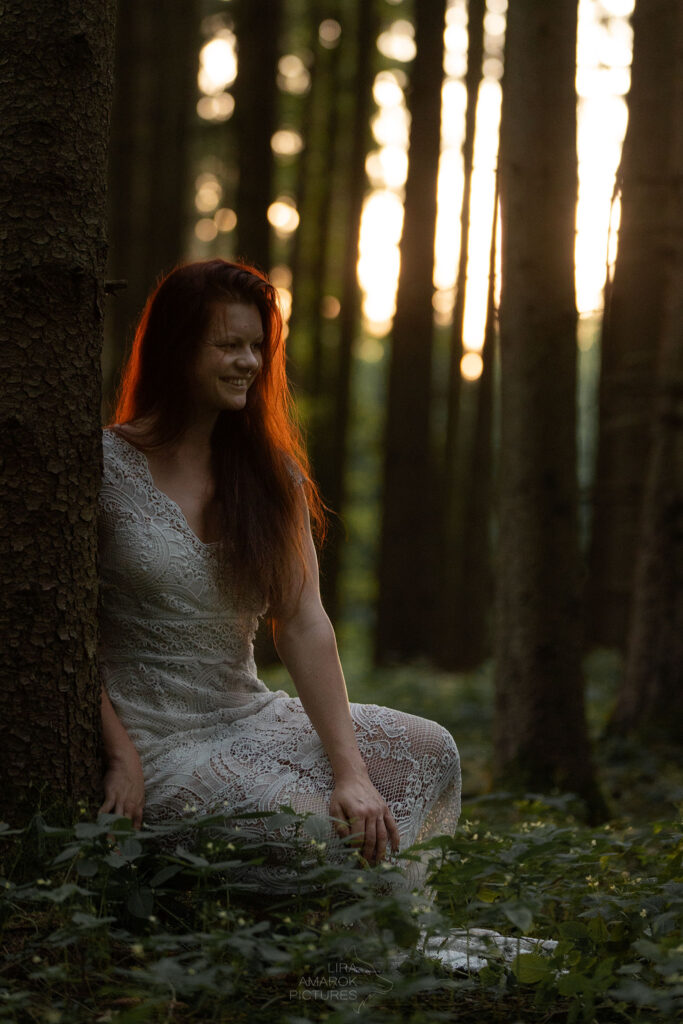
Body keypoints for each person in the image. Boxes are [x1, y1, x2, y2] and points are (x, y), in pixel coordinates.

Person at [98, 258, 461, 894]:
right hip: (157, 742)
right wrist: (121, 752)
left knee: (431, 750)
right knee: (317, 831)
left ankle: (376, 943)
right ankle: (342, 954)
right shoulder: (101, 467)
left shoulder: (270, 478)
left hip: (249, 714)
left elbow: (303, 623)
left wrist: (351, 771)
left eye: (257, 347)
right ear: (177, 349)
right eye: (228, 345)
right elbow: (53, 629)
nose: (248, 363)